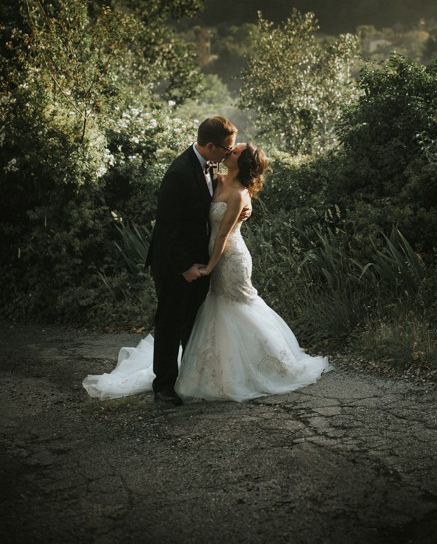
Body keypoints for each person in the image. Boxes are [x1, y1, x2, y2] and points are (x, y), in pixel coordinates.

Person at [82, 141, 330, 403]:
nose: (230, 150)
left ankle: (259, 364)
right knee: (209, 310)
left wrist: (211, 265)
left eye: (235, 151)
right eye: (229, 147)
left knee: (237, 305)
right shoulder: (214, 177)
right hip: (202, 254)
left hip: (230, 256)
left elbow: (223, 234)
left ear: (242, 161)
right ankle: (196, 372)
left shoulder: (239, 193)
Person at [146, 115, 238, 405]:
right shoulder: (179, 173)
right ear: (210, 146)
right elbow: (167, 229)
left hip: (199, 261)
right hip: (174, 263)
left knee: (192, 324)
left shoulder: (210, 166)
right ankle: (163, 388)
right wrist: (184, 267)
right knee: (170, 322)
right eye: (227, 149)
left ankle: (188, 379)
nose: (228, 155)